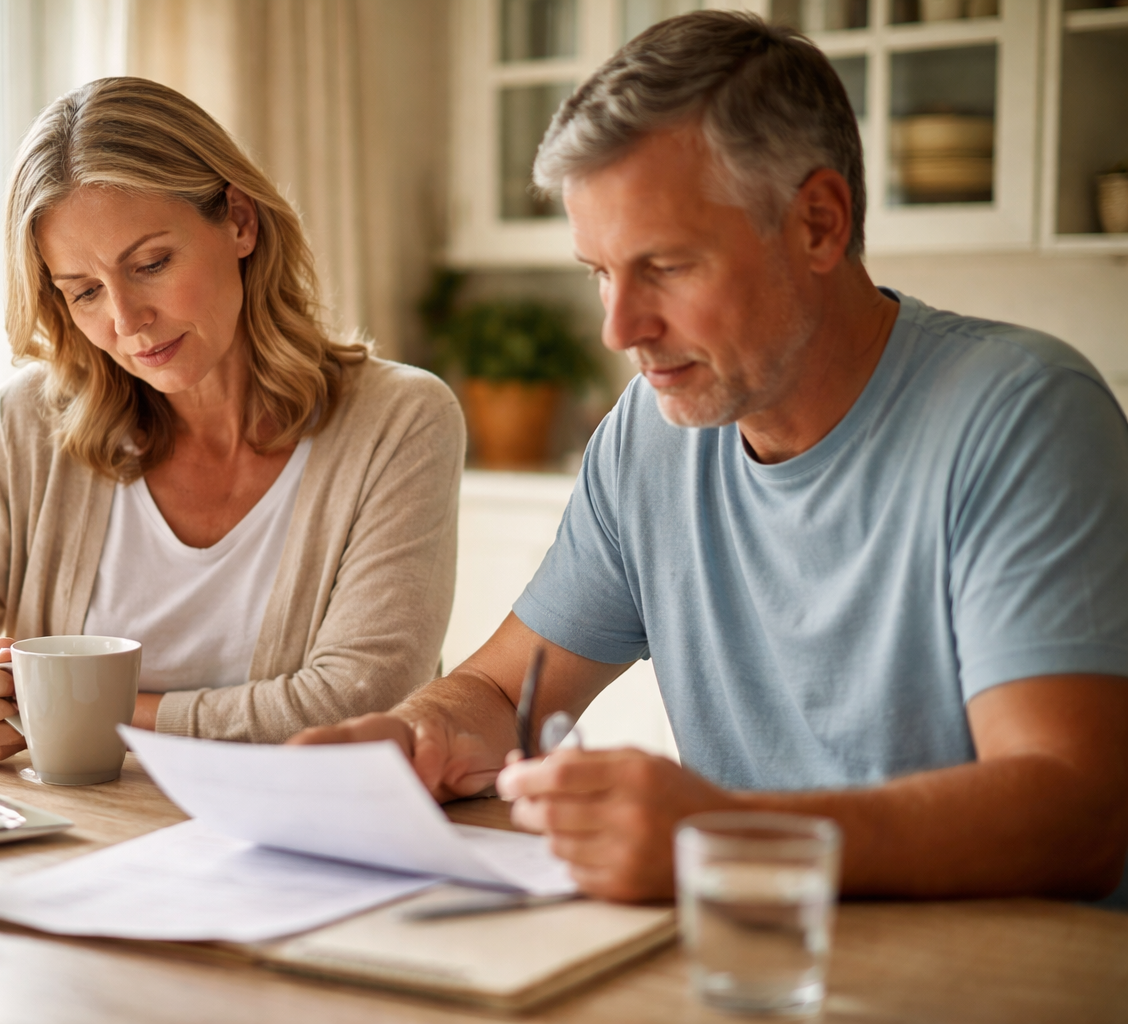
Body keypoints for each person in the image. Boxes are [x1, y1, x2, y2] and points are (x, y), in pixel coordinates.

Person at [295, 13, 1128, 907]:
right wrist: (422, 732)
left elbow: (1076, 811)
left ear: (817, 221)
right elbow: (507, 691)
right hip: (747, 955)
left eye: (667, 266)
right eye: (601, 272)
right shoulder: (651, 434)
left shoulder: (1022, 415)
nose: (621, 330)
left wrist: (722, 835)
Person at [0, 77, 465, 763]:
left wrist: (60, 700)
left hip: (317, 855)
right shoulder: (33, 424)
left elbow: (356, 707)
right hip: (88, 846)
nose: (126, 322)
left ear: (240, 221)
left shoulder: (400, 422)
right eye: (85, 292)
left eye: (151, 264)